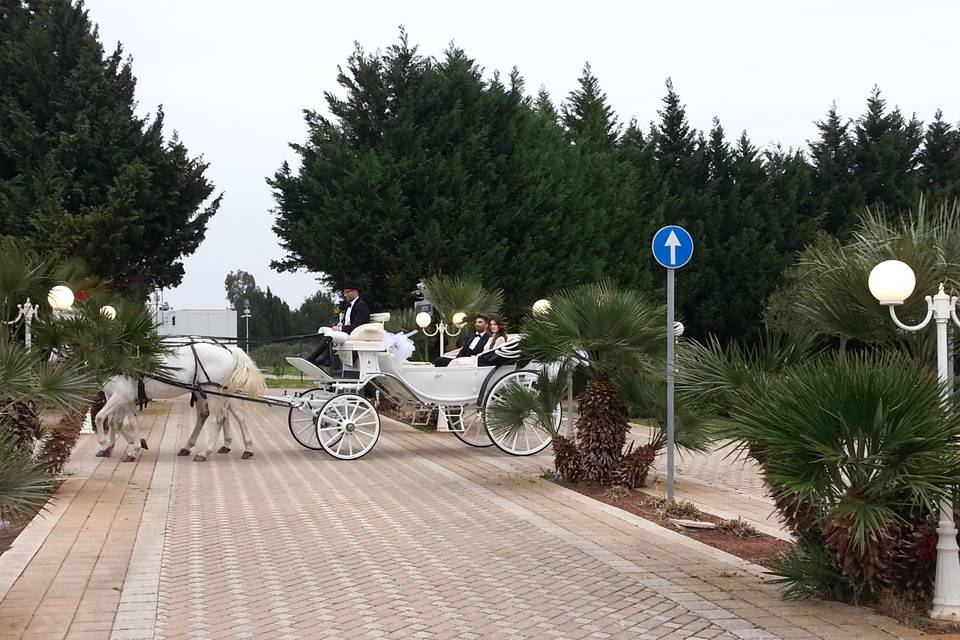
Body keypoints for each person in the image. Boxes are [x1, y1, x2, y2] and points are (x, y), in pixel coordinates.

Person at [305, 282, 371, 367]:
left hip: (352, 334)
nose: (345, 295)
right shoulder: (350, 306)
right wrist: (340, 325)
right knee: (322, 329)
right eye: (344, 292)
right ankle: (327, 356)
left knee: (329, 334)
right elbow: (348, 321)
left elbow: (358, 325)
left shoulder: (361, 306)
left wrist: (340, 329)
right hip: (345, 331)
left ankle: (312, 358)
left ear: (354, 292)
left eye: (347, 292)